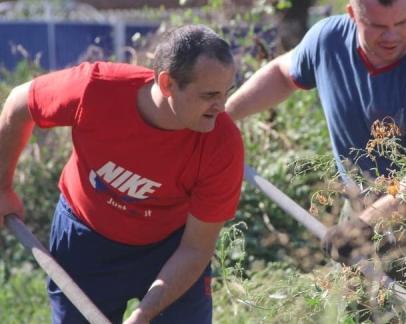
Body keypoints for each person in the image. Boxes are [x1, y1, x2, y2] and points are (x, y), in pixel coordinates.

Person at [0, 24, 244, 323]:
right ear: (167, 83)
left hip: (170, 248)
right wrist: (3, 188)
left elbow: (195, 249)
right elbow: (18, 104)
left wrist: (143, 315)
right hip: (85, 238)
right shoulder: (96, 89)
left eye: (226, 93)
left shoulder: (222, 144)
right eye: (209, 95)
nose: (222, 106)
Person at [226, 0, 406, 265]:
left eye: (401, 23)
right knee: (355, 306)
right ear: (352, 14)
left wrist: (365, 226)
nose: (391, 36)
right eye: (377, 26)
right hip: (357, 212)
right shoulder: (328, 41)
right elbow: (282, 75)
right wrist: (222, 118)